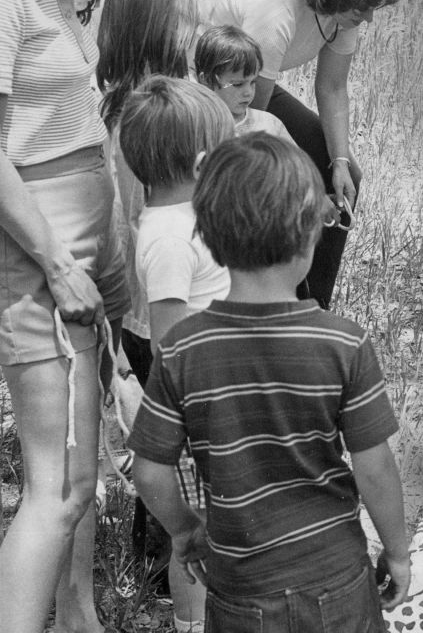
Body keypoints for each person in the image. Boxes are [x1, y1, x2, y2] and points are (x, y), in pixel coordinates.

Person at [128, 132, 410, 631]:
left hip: (239, 586)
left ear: (209, 237)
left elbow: (150, 471)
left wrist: (186, 530)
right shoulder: (342, 343)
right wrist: (397, 550)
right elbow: (375, 467)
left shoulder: (180, 350)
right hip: (336, 575)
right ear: (309, 235)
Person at [0, 0, 135, 631]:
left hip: (76, 228)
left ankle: (78, 616)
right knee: (54, 487)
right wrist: (54, 262)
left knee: (82, 474)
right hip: (38, 246)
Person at [199, 0, 402, 309]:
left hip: (247, 88)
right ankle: (263, 297)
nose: (370, 18)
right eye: (365, 8)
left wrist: (339, 162)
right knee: (266, 181)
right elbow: (251, 125)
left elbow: (332, 87)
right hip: (212, 91)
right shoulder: (273, 7)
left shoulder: (341, 6)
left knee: (342, 178)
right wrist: (300, 183)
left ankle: (311, 306)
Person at [118, 75, 235, 633]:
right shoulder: (168, 236)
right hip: (194, 412)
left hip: (214, 399)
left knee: (218, 525)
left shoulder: (184, 220)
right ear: (200, 163)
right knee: (194, 536)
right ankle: (193, 624)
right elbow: (169, 342)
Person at [96, 0, 201, 383]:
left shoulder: (146, 101)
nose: (196, 31)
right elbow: (136, 217)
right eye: (186, 23)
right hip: (160, 300)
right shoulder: (143, 116)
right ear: (154, 32)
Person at [195, 25, 292, 140]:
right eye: (237, 84)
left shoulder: (269, 126)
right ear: (206, 80)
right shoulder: (193, 127)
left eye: (253, 82)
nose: (248, 92)